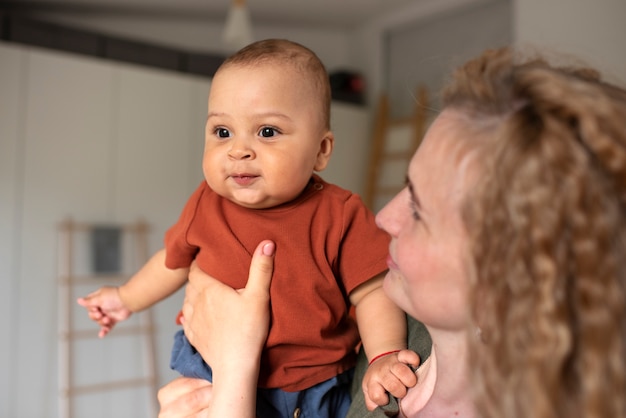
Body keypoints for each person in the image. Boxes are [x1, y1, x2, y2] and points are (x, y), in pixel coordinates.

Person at [158, 45, 626, 418]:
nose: (384, 217)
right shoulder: (386, 348)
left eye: (421, 210)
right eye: (405, 187)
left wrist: (236, 372)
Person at [77, 39, 418, 418]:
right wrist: (125, 299)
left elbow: (372, 292)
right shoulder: (206, 203)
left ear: (321, 150)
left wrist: (384, 354)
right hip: (210, 371)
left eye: (267, 132)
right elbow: (171, 263)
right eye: (222, 132)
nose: (238, 150)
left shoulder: (340, 214)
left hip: (313, 383)